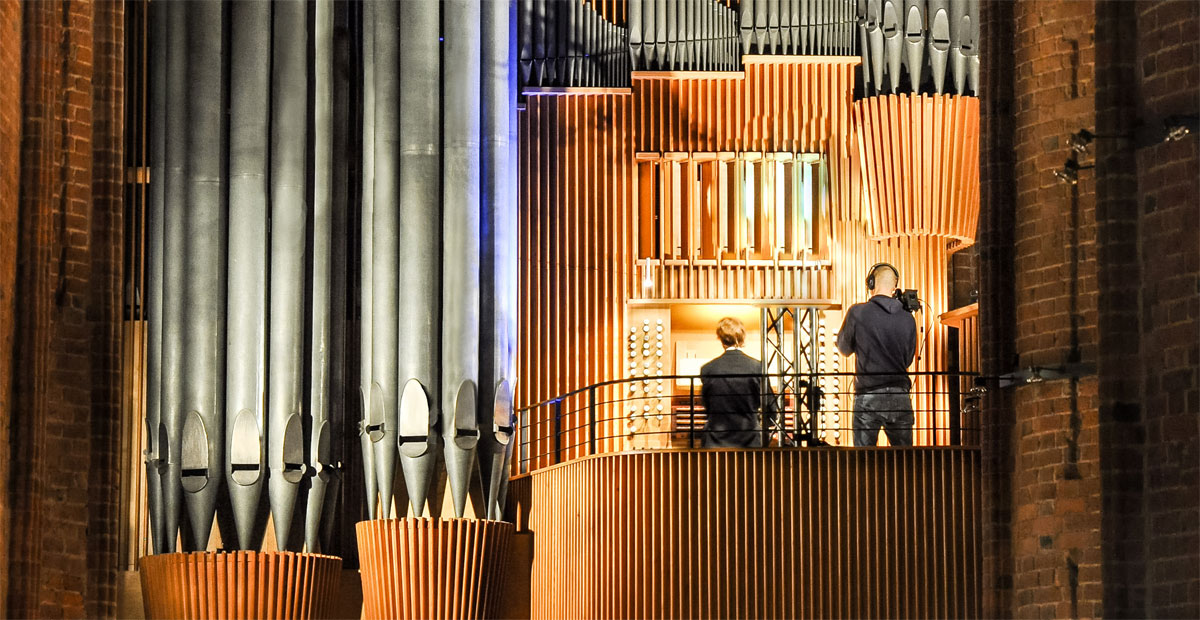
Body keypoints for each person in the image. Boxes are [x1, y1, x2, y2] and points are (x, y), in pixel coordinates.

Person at [836, 263, 918, 447]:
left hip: (868, 395)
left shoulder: (857, 312)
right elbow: (908, 359)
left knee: (864, 461)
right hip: (900, 395)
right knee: (906, 460)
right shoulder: (908, 318)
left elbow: (843, 349)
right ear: (895, 289)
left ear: (871, 284)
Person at [700, 317, 777, 448]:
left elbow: (707, 406)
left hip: (716, 440)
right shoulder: (757, 367)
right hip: (749, 439)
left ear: (721, 339)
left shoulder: (708, 369)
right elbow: (771, 406)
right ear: (742, 338)